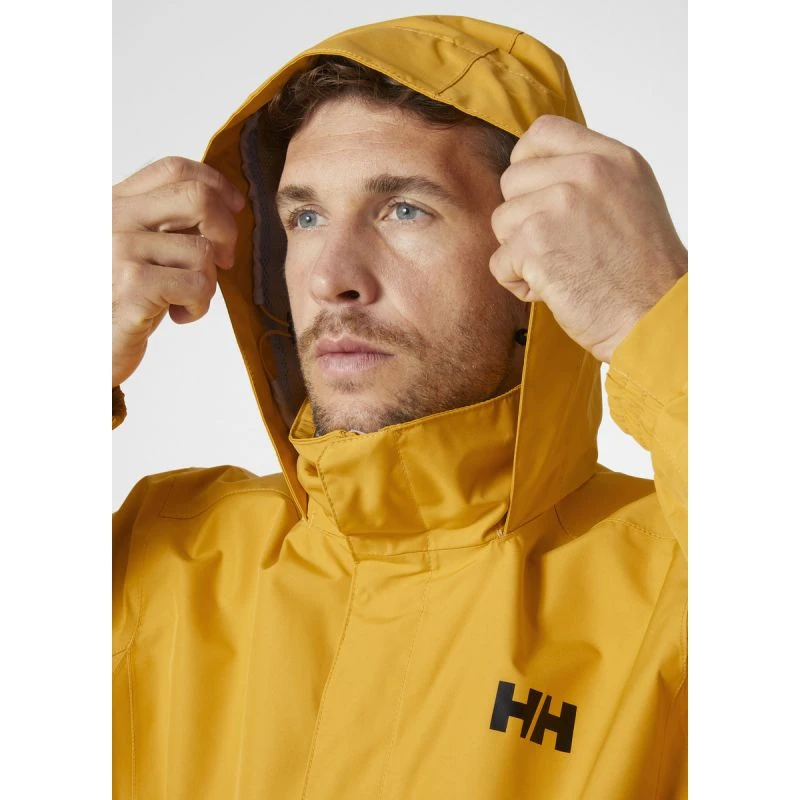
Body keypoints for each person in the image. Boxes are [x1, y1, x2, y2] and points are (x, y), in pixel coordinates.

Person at [112, 15, 687, 799]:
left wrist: (654, 319)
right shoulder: (159, 559)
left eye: (404, 210)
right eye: (305, 217)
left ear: (536, 261)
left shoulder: (680, 585)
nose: (331, 278)